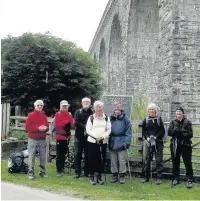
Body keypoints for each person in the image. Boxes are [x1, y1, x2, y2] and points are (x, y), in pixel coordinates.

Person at [86, 100, 111, 185]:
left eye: (100, 107)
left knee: (101, 159)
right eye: (97, 107)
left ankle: (99, 177)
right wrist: (96, 137)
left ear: (102, 108)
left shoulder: (106, 118)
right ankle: (91, 176)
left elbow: (109, 130)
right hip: (92, 142)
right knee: (92, 159)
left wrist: (103, 137)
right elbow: (88, 130)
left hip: (103, 142)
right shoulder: (91, 118)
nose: (99, 109)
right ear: (94, 108)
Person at [168, 107, 194, 188]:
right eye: (177, 112)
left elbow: (190, 134)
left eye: (180, 111)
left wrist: (182, 133)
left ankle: (189, 180)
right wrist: (175, 130)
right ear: (176, 113)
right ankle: (176, 178)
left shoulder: (187, 122)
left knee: (187, 162)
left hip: (185, 145)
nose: (178, 113)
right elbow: (169, 133)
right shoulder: (173, 122)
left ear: (183, 113)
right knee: (175, 163)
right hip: (175, 145)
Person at [141, 103, 165, 184]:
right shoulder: (146, 119)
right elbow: (143, 131)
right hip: (148, 142)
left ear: (155, 110)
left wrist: (156, 137)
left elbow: (162, 131)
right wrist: (147, 137)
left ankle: (159, 177)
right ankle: (146, 176)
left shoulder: (159, 119)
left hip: (158, 142)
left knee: (159, 159)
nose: (151, 111)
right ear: (148, 110)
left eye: (153, 109)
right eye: (150, 109)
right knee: (147, 159)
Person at [25, 99, 49, 180]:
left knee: (42, 156)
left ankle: (42, 172)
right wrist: (38, 128)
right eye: (38, 105)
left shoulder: (44, 116)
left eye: (41, 105)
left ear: (42, 106)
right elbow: (27, 127)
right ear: (35, 106)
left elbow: (47, 127)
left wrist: (45, 128)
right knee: (31, 156)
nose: (39, 106)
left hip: (42, 139)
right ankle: (31, 173)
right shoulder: (31, 115)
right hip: (33, 138)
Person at [109, 102, 132, 184]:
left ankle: (122, 175)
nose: (117, 108)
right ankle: (114, 174)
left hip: (122, 141)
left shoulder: (126, 119)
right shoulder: (111, 118)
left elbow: (129, 132)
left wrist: (127, 142)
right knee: (113, 160)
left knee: (122, 160)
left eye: (118, 107)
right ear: (114, 108)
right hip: (112, 141)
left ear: (121, 108)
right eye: (115, 107)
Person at [74, 97, 93, 178]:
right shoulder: (78, 112)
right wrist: (85, 126)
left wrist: (88, 127)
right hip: (79, 136)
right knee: (78, 154)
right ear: (82, 103)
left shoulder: (92, 112)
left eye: (87, 102)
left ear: (90, 103)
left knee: (88, 155)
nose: (86, 103)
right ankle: (77, 172)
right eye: (84, 102)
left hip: (89, 137)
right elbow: (76, 122)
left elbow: (93, 122)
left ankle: (87, 172)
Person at [55, 100, 74, 177]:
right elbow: (57, 125)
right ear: (60, 107)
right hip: (60, 136)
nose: (64, 107)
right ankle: (59, 169)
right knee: (59, 154)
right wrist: (66, 122)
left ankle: (62, 168)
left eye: (66, 106)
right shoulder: (58, 114)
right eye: (63, 106)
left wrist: (68, 124)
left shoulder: (69, 114)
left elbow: (72, 124)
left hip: (67, 137)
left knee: (64, 153)